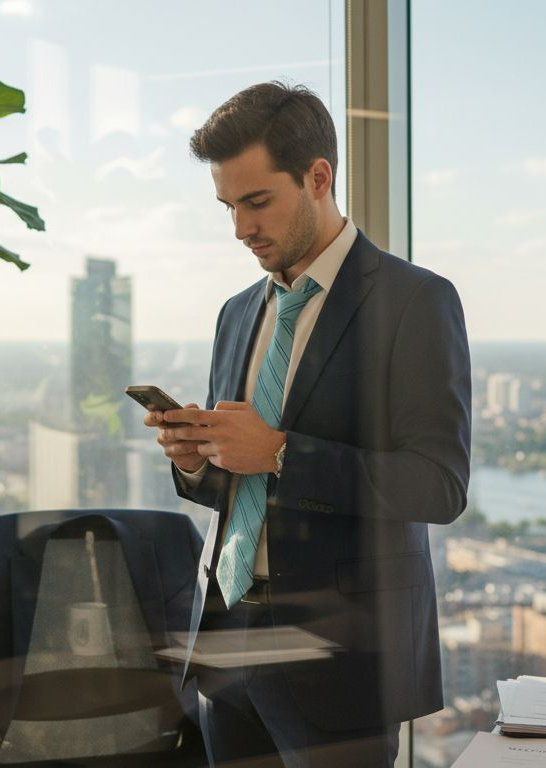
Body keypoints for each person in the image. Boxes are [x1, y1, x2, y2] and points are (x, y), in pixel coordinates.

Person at [144, 81, 472, 768]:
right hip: (227, 644)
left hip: (342, 663)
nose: (240, 228)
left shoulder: (416, 302)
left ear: (319, 177)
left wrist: (281, 453)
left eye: (257, 201)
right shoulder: (238, 313)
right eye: (229, 206)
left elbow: (439, 486)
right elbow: (239, 485)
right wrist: (196, 460)